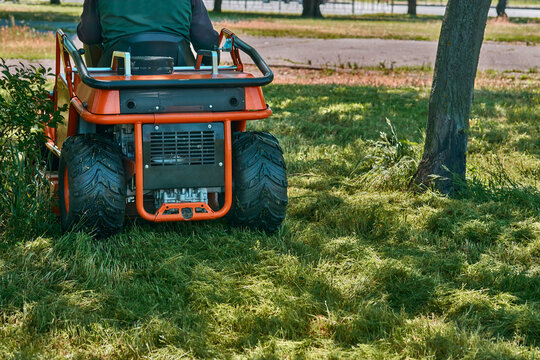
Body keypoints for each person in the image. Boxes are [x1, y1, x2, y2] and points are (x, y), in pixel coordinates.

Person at [77, 0, 219, 58]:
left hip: (118, 72)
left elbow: (89, 35)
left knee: (91, 45)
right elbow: (206, 40)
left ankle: (94, 93)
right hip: (178, 67)